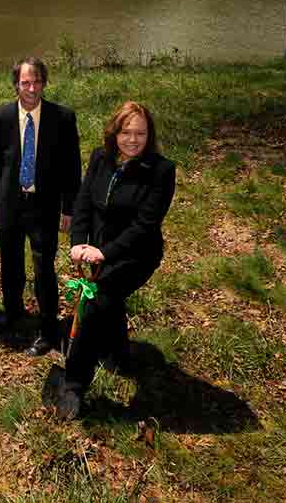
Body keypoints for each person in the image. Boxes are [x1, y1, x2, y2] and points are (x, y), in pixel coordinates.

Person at [46, 100, 177, 419]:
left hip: (135, 256)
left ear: (150, 135)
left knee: (92, 306)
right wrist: (78, 241)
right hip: (97, 253)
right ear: (114, 132)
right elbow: (84, 204)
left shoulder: (161, 171)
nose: (133, 140)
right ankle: (119, 355)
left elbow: (144, 226)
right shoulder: (100, 158)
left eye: (141, 134)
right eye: (126, 132)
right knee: (109, 301)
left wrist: (104, 252)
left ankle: (74, 383)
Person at [0, 57, 81, 356]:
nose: (31, 88)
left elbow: (71, 166)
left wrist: (68, 208)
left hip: (44, 206)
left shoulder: (62, 117)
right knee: (10, 264)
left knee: (44, 268)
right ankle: (12, 312)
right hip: (9, 203)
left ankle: (47, 327)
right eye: (25, 82)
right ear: (16, 84)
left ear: (44, 82)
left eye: (36, 81)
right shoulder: (1, 116)